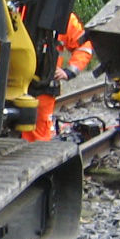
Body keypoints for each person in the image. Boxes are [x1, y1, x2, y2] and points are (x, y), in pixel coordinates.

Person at [23, 11, 94, 142]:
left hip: (42, 84)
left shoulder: (63, 17)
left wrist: (69, 71)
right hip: (18, 81)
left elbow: (85, 46)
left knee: (38, 133)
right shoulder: (22, 8)